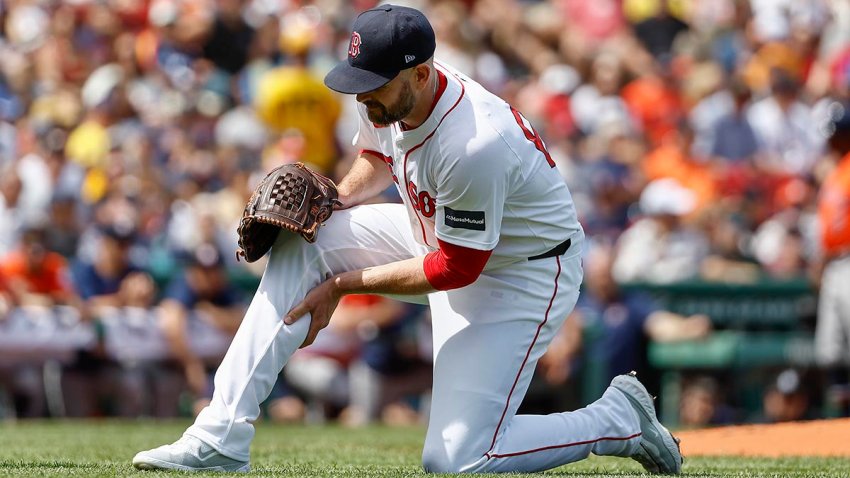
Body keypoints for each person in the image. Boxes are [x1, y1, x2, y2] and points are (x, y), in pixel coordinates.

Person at [133, 5, 682, 474]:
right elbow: (376, 155)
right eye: (358, 82)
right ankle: (221, 437)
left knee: (459, 460)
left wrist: (343, 284)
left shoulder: (474, 143)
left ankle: (617, 421)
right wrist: (334, 200)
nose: (363, 96)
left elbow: (456, 269)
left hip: (518, 272)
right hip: (436, 234)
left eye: (375, 85)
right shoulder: (387, 91)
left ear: (421, 74)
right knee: (307, 239)